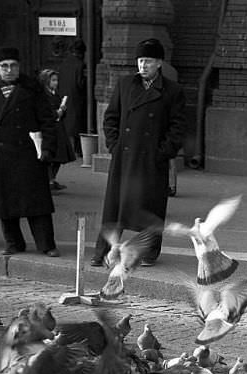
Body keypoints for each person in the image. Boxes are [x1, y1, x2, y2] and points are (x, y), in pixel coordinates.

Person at [90, 38, 186, 267]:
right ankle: (102, 250)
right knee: (115, 206)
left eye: (148, 61)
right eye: (140, 61)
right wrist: (114, 145)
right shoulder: (125, 85)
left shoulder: (172, 91)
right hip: (125, 157)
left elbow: (178, 126)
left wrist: (162, 152)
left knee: (150, 206)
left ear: (159, 63)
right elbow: (110, 117)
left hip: (152, 159)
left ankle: (149, 252)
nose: (143, 66)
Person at [0, 46, 60, 257]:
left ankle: (46, 244)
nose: (9, 70)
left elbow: (47, 121)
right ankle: (13, 243)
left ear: (20, 67)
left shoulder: (33, 90)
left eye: (14, 65)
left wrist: (47, 148)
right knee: (5, 203)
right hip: (0, 155)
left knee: (37, 203)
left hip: (29, 153)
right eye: (4, 66)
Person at [38, 68, 76, 192]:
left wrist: (63, 110)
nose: (56, 83)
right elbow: (44, 113)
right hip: (49, 128)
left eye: (56, 80)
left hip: (59, 128)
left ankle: (52, 179)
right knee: (50, 157)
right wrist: (57, 112)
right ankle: (48, 180)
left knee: (59, 156)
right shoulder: (43, 96)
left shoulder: (56, 94)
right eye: (53, 80)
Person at [57, 38, 86, 156]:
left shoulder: (64, 63)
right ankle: (78, 150)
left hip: (64, 96)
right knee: (78, 124)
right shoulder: (80, 64)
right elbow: (81, 83)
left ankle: (68, 149)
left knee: (67, 122)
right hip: (77, 97)